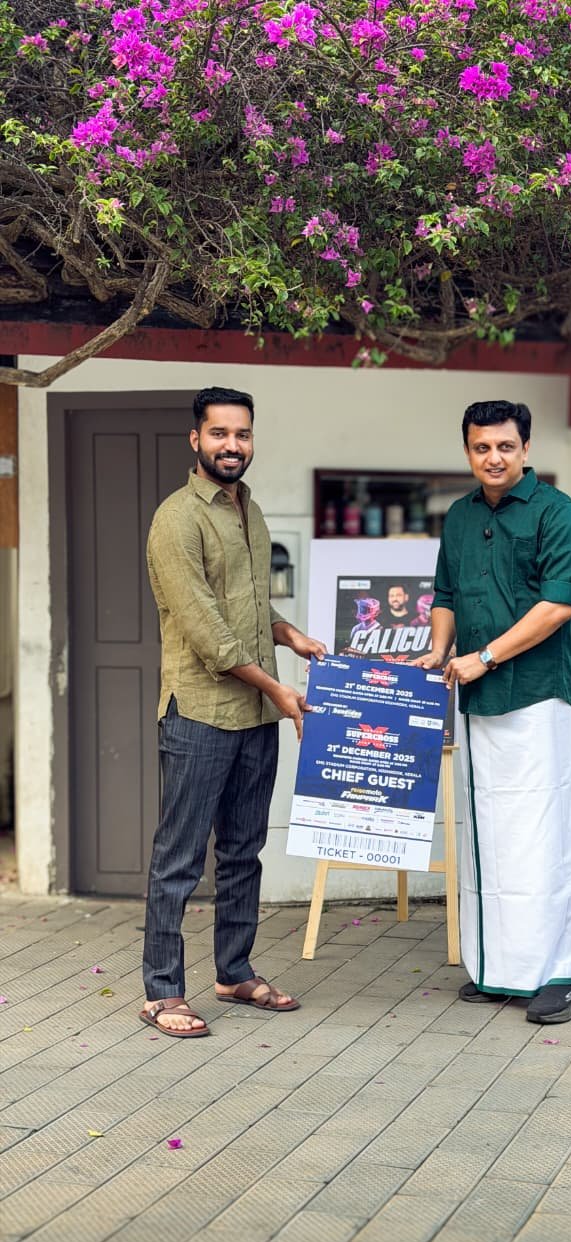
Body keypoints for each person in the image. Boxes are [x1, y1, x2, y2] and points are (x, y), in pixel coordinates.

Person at [141, 386, 327, 1038]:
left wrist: (292, 636)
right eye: (219, 433)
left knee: (245, 852)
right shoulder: (176, 519)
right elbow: (210, 633)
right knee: (180, 858)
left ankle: (234, 972)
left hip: (254, 718)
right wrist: (279, 690)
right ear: (196, 439)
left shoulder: (251, 510)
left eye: (242, 434)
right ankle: (162, 991)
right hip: (199, 713)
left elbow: (247, 608)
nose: (232, 445)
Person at [413, 400, 571, 1024]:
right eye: (482, 447)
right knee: (488, 832)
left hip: (536, 695)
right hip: (476, 697)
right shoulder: (459, 516)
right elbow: (445, 594)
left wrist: (484, 657)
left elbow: (558, 605)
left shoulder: (556, 511)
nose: (494, 457)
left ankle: (559, 973)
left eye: (505, 446)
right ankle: (503, 971)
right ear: (468, 451)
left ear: (526, 448)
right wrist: (439, 650)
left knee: (543, 833)